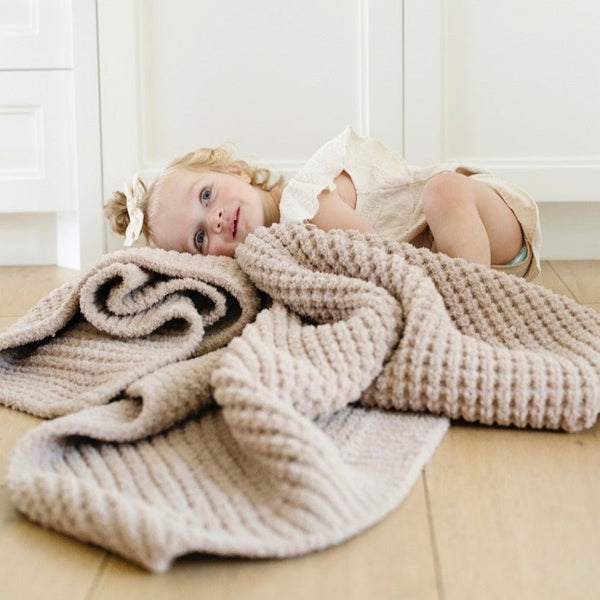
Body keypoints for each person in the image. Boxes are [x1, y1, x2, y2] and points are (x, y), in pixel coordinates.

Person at [105, 126, 542, 280]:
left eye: (206, 195)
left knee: (442, 190)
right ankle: (466, 292)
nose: (215, 219)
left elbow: (375, 258)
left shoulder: (305, 200)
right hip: (462, 255)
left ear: (235, 172)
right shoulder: (272, 259)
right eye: (199, 237)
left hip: (489, 218)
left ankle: (476, 306)